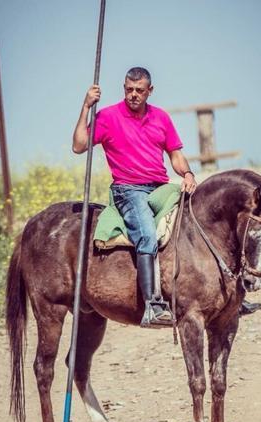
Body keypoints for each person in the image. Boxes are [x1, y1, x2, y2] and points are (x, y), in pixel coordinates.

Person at [72, 67, 196, 328]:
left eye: (139, 90)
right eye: (129, 89)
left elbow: (175, 155)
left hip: (160, 187)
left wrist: (187, 174)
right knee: (148, 234)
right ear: (123, 88)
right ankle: (152, 305)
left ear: (150, 91)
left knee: (196, 212)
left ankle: (219, 293)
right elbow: (79, 146)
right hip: (128, 190)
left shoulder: (161, 117)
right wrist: (86, 106)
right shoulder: (108, 116)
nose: (133, 95)